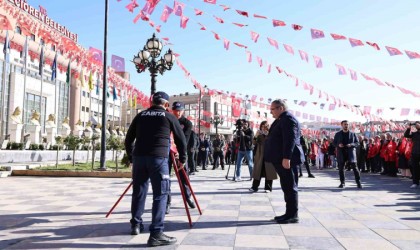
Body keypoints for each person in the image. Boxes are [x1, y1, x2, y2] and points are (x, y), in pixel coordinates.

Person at [125, 91, 186, 247]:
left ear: (151, 103)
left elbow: (129, 138)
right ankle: (156, 233)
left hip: (139, 158)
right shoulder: (169, 116)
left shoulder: (141, 115)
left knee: (139, 191)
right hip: (158, 159)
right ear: (166, 105)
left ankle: (136, 225)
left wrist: (131, 157)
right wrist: (183, 159)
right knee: (160, 194)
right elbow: (181, 139)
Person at [264, 100, 304, 224]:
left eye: (272, 109)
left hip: (287, 160)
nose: (271, 113)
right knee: (286, 186)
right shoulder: (281, 119)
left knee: (290, 186)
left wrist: (287, 158)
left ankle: (293, 215)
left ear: (280, 108)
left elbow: (290, 139)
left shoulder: (288, 119)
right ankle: (289, 213)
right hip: (280, 159)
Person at [166, 101, 195, 214]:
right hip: (168, 152)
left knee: (184, 176)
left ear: (183, 111)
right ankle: (167, 202)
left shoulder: (187, 123)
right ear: (172, 110)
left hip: (180, 153)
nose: (177, 113)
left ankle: (188, 197)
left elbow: (185, 139)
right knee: (166, 177)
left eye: (179, 110)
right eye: (175, 110)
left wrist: (179, 151)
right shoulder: (168, 120)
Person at [249, 121, 278, 192]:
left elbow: (275, 142)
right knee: (257, 171)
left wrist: (269, 135)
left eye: (265, 126)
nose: (264, 128)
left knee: (269, 171)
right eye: (262, 126)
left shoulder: (271, 133)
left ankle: (268, 188)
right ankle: (254, 187)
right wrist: (256, 136)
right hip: (260, 154)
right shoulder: (259, 133)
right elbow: (253, 143)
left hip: (269, 154)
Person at [333, 120, 362, 189]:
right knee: (341, 168)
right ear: (342, 125)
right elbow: (334, 143)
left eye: (347, 124)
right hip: (341, 152)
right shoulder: (338, 134)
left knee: (355, 168)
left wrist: (351, 144)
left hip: (351, 152)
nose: (346, 125)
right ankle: (342, 183)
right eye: (345, 124)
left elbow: (357, 143)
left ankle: (358, 183)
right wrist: (338, 145)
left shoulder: (353, 134)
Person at [404, 121, 420, 189]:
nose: (417, 125)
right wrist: (409, 128)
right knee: (415, 169)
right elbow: (406, 135)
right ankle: (415, 183)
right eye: (416, 125)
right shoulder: (414, 134)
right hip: (415, 153)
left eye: (418, 124)